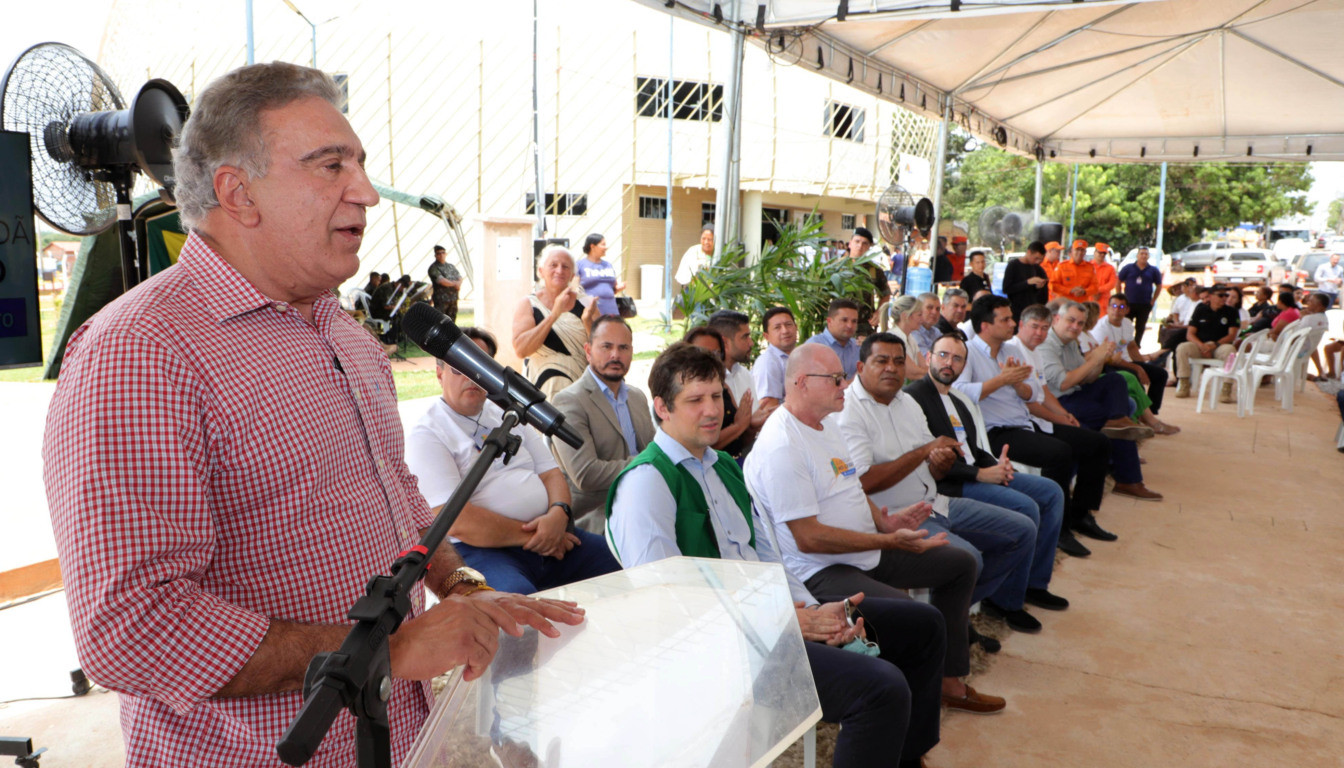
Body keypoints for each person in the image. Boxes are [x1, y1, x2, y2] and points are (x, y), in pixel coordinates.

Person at [42, 62, 583, 766]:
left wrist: (463, 585)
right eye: (331, 167)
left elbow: (395, 503)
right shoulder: (139, 353)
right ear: (238, 192)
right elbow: (132, 628)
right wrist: (387, 650)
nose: (365, 192)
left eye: (358, 165)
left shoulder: (348, 339)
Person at [607, 344, 946, 768]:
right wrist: (785, 623)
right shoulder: (648, 483)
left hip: (767, 622)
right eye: (695, 400)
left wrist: (814, 610)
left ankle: (902, 757)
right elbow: (668, 602)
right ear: (661, 407)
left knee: (923, 624)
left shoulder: (724, 467)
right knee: (880, 687)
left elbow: (767, 558)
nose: (711, 410)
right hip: (717, 650)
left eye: (716, 397)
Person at [746, 343, 1004, 714]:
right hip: (821, 569)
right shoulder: (783, 444)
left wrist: (885, 521)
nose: (844, 384)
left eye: (843, 375)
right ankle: (904, 726)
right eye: (835, 378)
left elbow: (851, 483)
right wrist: (885, 538)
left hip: (864, 547)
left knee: (960, 564)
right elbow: (808, 538)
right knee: (920, 622)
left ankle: (948, 680)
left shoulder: (828, 422)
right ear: (801, 382)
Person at [838, 331, 1049, 635]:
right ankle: (948, 625)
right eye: (881, 361)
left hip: (937, 501)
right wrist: (924, 452)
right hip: (899, 515)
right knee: (969, 559)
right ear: (860, 368)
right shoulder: (849, 411)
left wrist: (942, 461)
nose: (892, 368)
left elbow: (935, 466)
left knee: (1022, 530)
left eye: (899, 362)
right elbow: (864, 482)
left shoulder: (906, 402)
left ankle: (949, 615)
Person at [405, 327, 621, 594]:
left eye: (480, 366)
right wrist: (541, 537)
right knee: (519, 606)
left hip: (552, 533)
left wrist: (559, 512)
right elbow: (457, 520)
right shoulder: (428, 433)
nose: (472, 377)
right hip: (483, 550)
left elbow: (552, 473)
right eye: (459, 368)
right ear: (439, 373)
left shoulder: (509, 413)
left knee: (620, 564)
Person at [902, 332, 1069, 624]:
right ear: (928, 357)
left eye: (957, 358)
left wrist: (997, 464)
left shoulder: (958, 399)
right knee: (1026, 509)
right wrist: (980, 473)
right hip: (953, 484)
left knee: (1051, 492)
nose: (948, 363)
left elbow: (973, 448)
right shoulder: (914, 399)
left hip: (978, 471)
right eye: (942, 355)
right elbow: (930, 459)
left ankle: (1034, 583)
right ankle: (1004, 600)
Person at [972, 304, 1115, 552]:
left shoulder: (1019, 350)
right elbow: (963, 393)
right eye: (1033, 326)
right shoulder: (977, 352)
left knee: (1097, 443)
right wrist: (1004, 381)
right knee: (1060, 452)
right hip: (1000, 429)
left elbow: (1036, 393)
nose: (1039, 333)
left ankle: (1081, 514)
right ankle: (1057, 528)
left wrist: (1063, 414)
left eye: (1044, 328)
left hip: (1027, 422)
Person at [1038, 301, 1163, 501]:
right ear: (1056, 319)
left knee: (1116, 379)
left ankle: (1119, 421)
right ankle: (1128, 479)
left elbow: (1089, 378)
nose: (1076, 327)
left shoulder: (1071, 342)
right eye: (1071, 321)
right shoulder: (1046, 345)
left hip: (1077, 392)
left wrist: (1100, 360)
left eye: (1080, 323)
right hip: (1059, 401)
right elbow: (1063, 383)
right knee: (1112, 420)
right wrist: (1095, 359)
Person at [551, 316, 655, 526]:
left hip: (647, 503)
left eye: (623, 347)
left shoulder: (637, 397)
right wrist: (648, 463)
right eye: (606, 347)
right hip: (599, 516)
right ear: (588, 351)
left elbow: (652, 449)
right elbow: (585, 474)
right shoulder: (569, 401)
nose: (615, 355)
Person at [512, 244, 600, 398]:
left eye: (565, 267)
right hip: (541, 394)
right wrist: (554, 315)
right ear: (541, 271)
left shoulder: (587, 303)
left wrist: (587, 322)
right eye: (553, 265)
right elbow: (521, 350)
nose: (559, 270)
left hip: (581, 394)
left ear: (572, 275)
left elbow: (602, 352)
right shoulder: (528, 304)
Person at [1091, 293, 1174, 430]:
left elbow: (1132, 346)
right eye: (1114, 306)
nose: (1117, 310)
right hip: (1108, 364)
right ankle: (1138, 417)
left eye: (1121, 306)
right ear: (1108, 308)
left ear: (1127, 310)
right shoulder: (1101, 328)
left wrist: (1143, 365)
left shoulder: (1127, 323)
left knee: (1160, 374)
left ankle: (1150, 414)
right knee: (1135, 377)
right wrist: (1138, 369)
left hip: (1126, 362)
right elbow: (1107, 359)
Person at [683, 325, 755, 456]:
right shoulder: (683, 393)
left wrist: (752, 426)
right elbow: (700, 446)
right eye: (701, 352)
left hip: (733, 463)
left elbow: (741, 439)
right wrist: (738, 426)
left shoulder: (724, 387)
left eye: (715, 353)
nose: (709, 359)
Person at [708, 309, 777, 444]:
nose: (751, 342)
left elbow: (748, 431)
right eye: (745, 336)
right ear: (725, 342)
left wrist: (753, 425)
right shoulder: (708, 379)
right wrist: (740, 426)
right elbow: (706, 446)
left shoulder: (744, 374)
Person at [1174, 286, 1241, 398]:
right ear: (1210, 296)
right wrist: (1201, 346)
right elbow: (1190, 334)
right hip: (1201, 345)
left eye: (1226, 295)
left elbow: (1232, 335)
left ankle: (1226, 387)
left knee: (1231, 351)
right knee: (1182, 348)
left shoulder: (1232, 312)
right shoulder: (1200, 309)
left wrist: (1214, 345)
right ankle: (1184, 383)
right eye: (1220, 295)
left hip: (1219, 346)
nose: (1224, 298)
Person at [846, 227, 891, 333]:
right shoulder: (836, 268)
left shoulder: (874, 270)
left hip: (863, 326)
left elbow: (885, 294)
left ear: (869, 248)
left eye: (865, 243)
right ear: (850, 244)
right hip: (840, 324)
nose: (860, 246)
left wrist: (879, 312)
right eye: (857, 241)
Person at [753, 306, 799, 409]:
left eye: (788, 325)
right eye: (777, 327)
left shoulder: (802, 355)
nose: (785, 331)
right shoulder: (768, 362)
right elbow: (768, 408)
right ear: (766, 336)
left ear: (796, 327)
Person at [806, 298, 862, 380]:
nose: (850, 325)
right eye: (844, 320)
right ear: (829, 321)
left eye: (854, 321)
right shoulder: (814, 346)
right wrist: (855, 380)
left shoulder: (858, 347)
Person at [576, 232, 625, 316]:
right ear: (592, 246)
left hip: (611, 311)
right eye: (603, 244)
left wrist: (619, 287)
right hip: (591, 312)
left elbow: (614, 288)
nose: (606, 247)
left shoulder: (608, 265)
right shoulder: (580, 265)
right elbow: (575, 288)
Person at [886, 294, 931, 382]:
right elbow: (912, 372)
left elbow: (924, 365)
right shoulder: (893, 338)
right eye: (919, 315)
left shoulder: (910, 338)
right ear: (905, 316)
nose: (922, 319)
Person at [1003, 241, 1050, 321]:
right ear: (1029, 252)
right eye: (1036, 258)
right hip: (1017, 311)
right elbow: (1006, 289)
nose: (1038, 261)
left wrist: (1039, 286)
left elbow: (1042, 290)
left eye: (1041, 259)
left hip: (1033, 310)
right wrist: (1027, 282)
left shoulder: (1038, 268)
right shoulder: (1013, 265)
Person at [427, 244, 463, 321]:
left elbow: (459, 277)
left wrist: (459, 283)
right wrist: (455, 284)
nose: (441, 255)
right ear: (435, 256)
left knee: (452, 322)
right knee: (441, 322)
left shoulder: (451, 266)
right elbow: (441, 281)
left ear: (446, 254)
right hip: (441, 301)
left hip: (453, 299)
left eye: (443, 253)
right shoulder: (434, 268)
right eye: (438, 253)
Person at [910, 293, 943, 357]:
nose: (934, 312)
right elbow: (926, 358)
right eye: (930, 307)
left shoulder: (936, 332)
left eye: (938, 309)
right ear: (918, 309)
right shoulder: (913, 331)